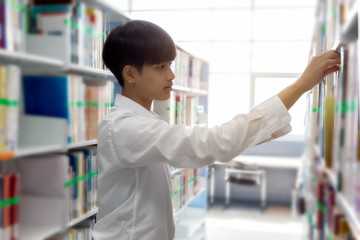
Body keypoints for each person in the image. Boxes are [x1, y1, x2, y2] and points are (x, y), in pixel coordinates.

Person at [92, 20, 340, 240]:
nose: (171, 74)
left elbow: (216, 144)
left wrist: (258, 131)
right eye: (160, 67)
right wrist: (300, 85)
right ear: (130, 73)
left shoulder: (143, 121)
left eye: (170, 64)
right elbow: (211, 144)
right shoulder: (124, 127)